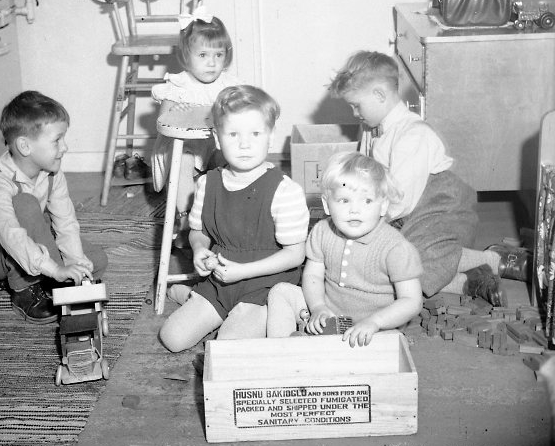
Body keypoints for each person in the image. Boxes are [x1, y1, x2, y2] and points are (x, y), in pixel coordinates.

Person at [327, 50, 530, 306]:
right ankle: (469, 282)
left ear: (379, 95)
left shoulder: (413, 135)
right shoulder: (370, 127)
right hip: (402, 208)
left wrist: (369, 226)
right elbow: (362, 171)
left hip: (439, 206)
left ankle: (495, 260)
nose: (354, 112)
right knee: (384, 262)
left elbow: (401, 199)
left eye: (356, 105)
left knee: (405, 259)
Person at [159, 85, 310, 352]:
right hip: (221, 280)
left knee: (228, 349)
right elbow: (198, 232)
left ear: (271, 137)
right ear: (217, 139)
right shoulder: (207, 183)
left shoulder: (285, 191)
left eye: (255, 133)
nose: (244, 144)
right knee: (171, 338)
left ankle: (236, 314)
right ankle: (195, 296)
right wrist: (199, 249)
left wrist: (243, 272)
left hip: (265, 284)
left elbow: (295, 255)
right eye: (233, 134)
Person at [0, 91, 108, 324]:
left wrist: (74, 262)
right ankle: (22, 289)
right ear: (25, 146)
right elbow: (11, 236)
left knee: (96, 262)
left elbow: (65, 221)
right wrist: (55, 269)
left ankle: (40, 275)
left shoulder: (53, 173)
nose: (65, 147)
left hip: (26, 230)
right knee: (25, 204)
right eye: (57, 140)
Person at [267, 152, 423, 347]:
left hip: (375, 326)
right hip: (328, 313)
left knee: (392, 343)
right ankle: (281, 350)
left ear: (383, 206)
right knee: (281, 291)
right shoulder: (322, 231)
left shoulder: (396, 248)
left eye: (367, 201)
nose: (354, 210)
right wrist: (318, 306)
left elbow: (412, 300)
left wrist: (375, 322)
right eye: (344, 200)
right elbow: (313, 276)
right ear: (326, 205)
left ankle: (330, 349)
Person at [151, 8, 240, 247]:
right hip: (184, 146)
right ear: (186, 55)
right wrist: (174, 111)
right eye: (203, 55)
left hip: (214, 145)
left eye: (218, 54)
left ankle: (227, 215)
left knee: (231, 159)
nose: (212, 62)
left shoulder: (228, 85)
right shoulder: (178, 84)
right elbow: (163, 121)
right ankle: (186, 218)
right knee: (184, 160)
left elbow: (242, 115)